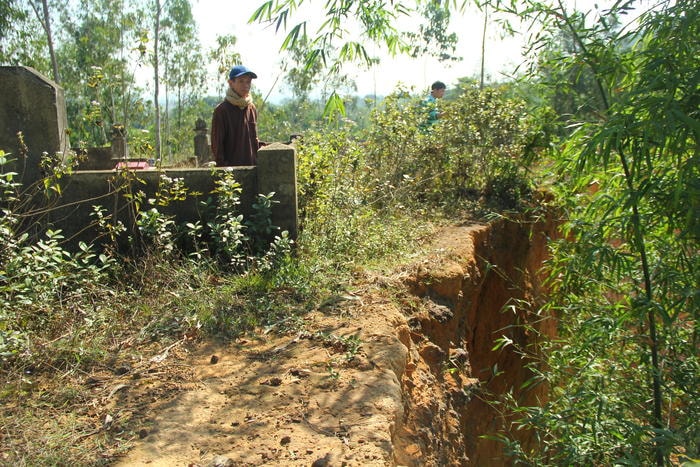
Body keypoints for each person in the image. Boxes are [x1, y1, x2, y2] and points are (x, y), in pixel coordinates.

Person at [210, 65, 265, 166]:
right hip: (231, 173)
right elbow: (217, 146)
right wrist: (224, 170)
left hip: (252, 168)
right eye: (241, 81)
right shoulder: (222, 110)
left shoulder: (251, 108)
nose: (246, 85)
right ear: (231, 83)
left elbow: (254, 141)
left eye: (248, 82)